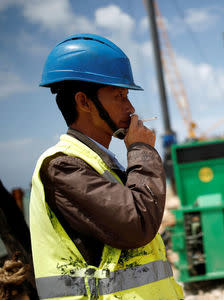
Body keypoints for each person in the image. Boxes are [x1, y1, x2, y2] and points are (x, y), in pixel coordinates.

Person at [29, 34, 184, 299]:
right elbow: (138, 225)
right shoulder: (62, 167)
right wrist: (142, 151)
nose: (131, 107)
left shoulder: (97, 164)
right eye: (120, 95)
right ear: (84, 102)